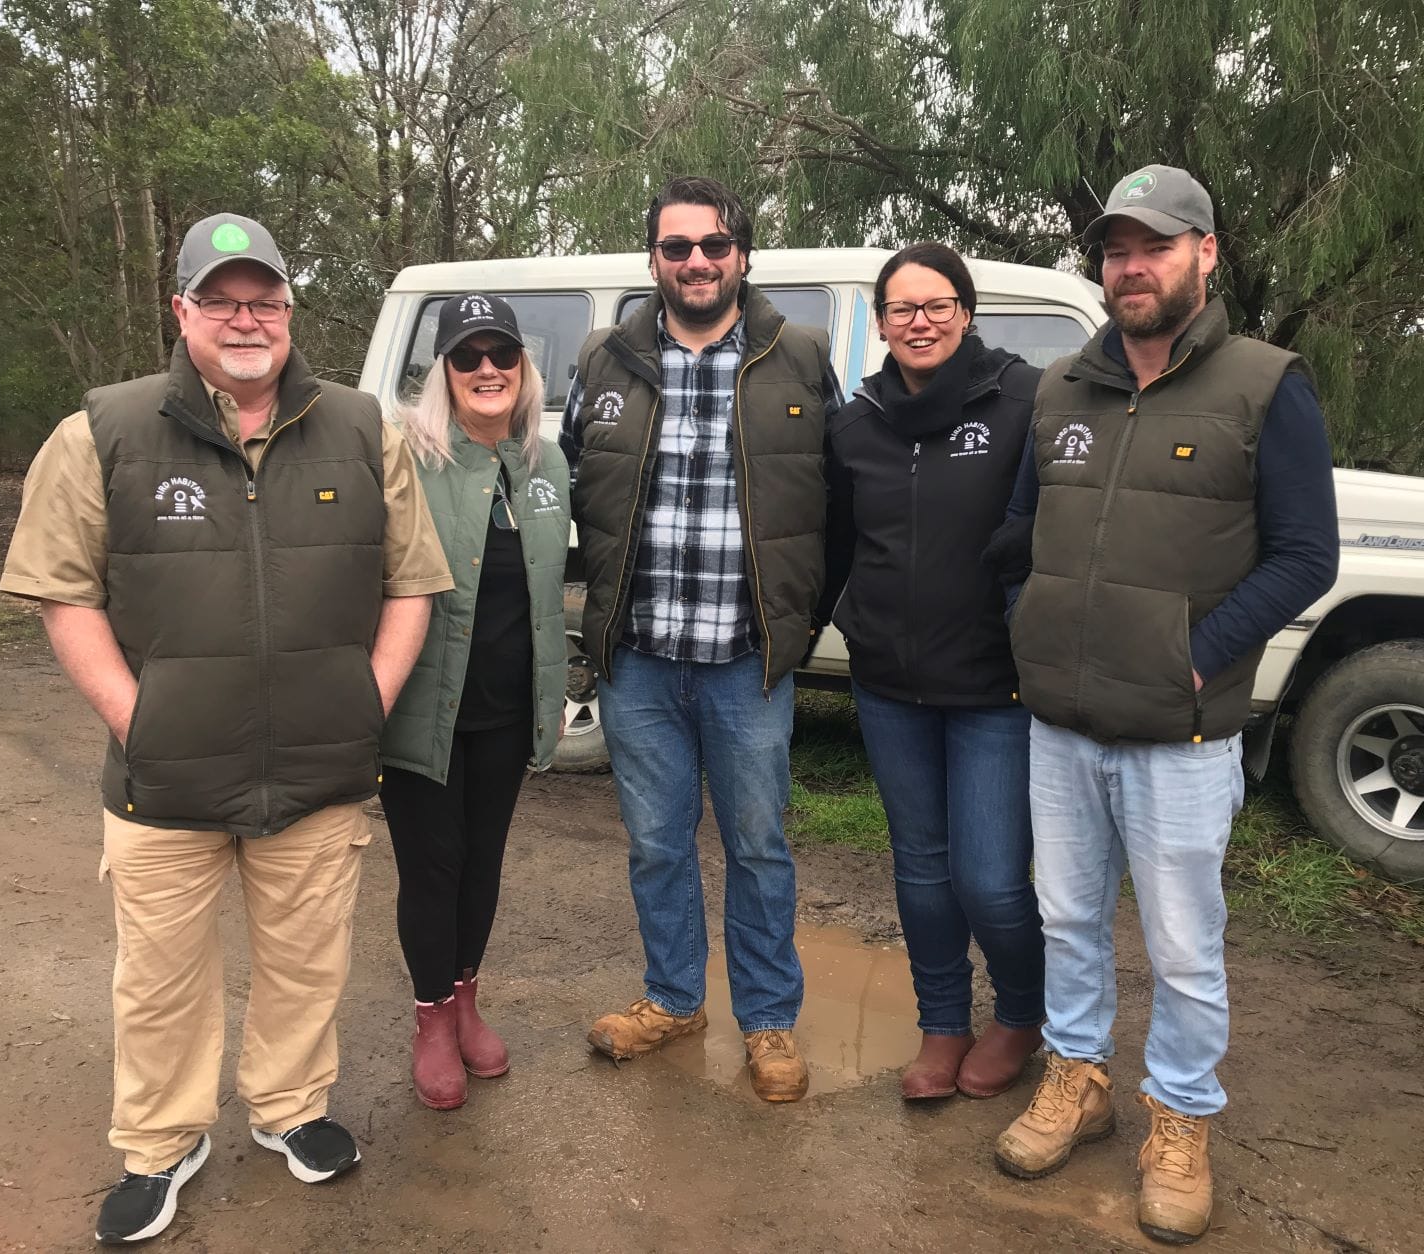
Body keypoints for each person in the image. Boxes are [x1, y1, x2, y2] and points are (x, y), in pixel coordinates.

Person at [0, 213, 453, 1245]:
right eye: (223, 299)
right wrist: (137, 719)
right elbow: (63, 596)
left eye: (266, 301)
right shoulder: (99, 432)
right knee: (159, 979)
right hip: (163, 780)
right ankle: (162, 1144)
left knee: (307, 964)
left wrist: (364, 705)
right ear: (183, 311)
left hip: (319, 773)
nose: (246, 320)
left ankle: (292, 1112)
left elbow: (411, 587)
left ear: (290, 312)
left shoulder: (362, 428)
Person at [991, 166, 1339, 1244]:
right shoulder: (1060, 391)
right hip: (1061, 722)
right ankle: (1078, 1081)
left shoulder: (1263, 384)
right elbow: (1018, 537)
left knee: (1185, 945)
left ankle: (1180, 1121)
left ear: (1206, 254)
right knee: (1066, 919)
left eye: (1153, 246)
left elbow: (1303, 556)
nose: (1129, 267)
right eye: (1113, 250)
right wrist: (1029, 625)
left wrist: (1199, 656)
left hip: (1181, 733)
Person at [558, 175, 842, 1102]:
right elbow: (572, 478)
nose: (696, 262)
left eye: (713, 245)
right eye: (677, 248)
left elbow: (837, 505)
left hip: (746, 665)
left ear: (742, 255)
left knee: (758, 847)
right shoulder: (605, 362)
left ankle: (768, 1023)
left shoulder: (797, 358)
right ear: (654, 260)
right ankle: (674, 999)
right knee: (657, 845)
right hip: (639, 662)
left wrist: (801, 622)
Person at [820, 243, 1045, 1102]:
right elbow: (839, 545)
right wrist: (826, 626)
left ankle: (1023, 1013)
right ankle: (943, 1023)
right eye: (903, 309)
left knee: (989, 879)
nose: (920, 322)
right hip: (889, 687)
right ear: (880, 323)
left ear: (966, 311)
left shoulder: (1024, 401)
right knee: (919, 868)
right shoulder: (858, 420)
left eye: (937, 305)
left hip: (995, 688)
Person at [377, 294, 570, 1111]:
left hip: (505, 705)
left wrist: (556, 692)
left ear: (522, 369)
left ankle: (466, 1000)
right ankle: (429, 1022)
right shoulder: (405, 457)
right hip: (423, 706)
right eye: (468, 356)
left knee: (483, 862)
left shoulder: (546, 464)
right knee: (434, 865)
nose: (487, 369)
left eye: (502, 354)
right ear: (442, 373)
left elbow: (553, 590)